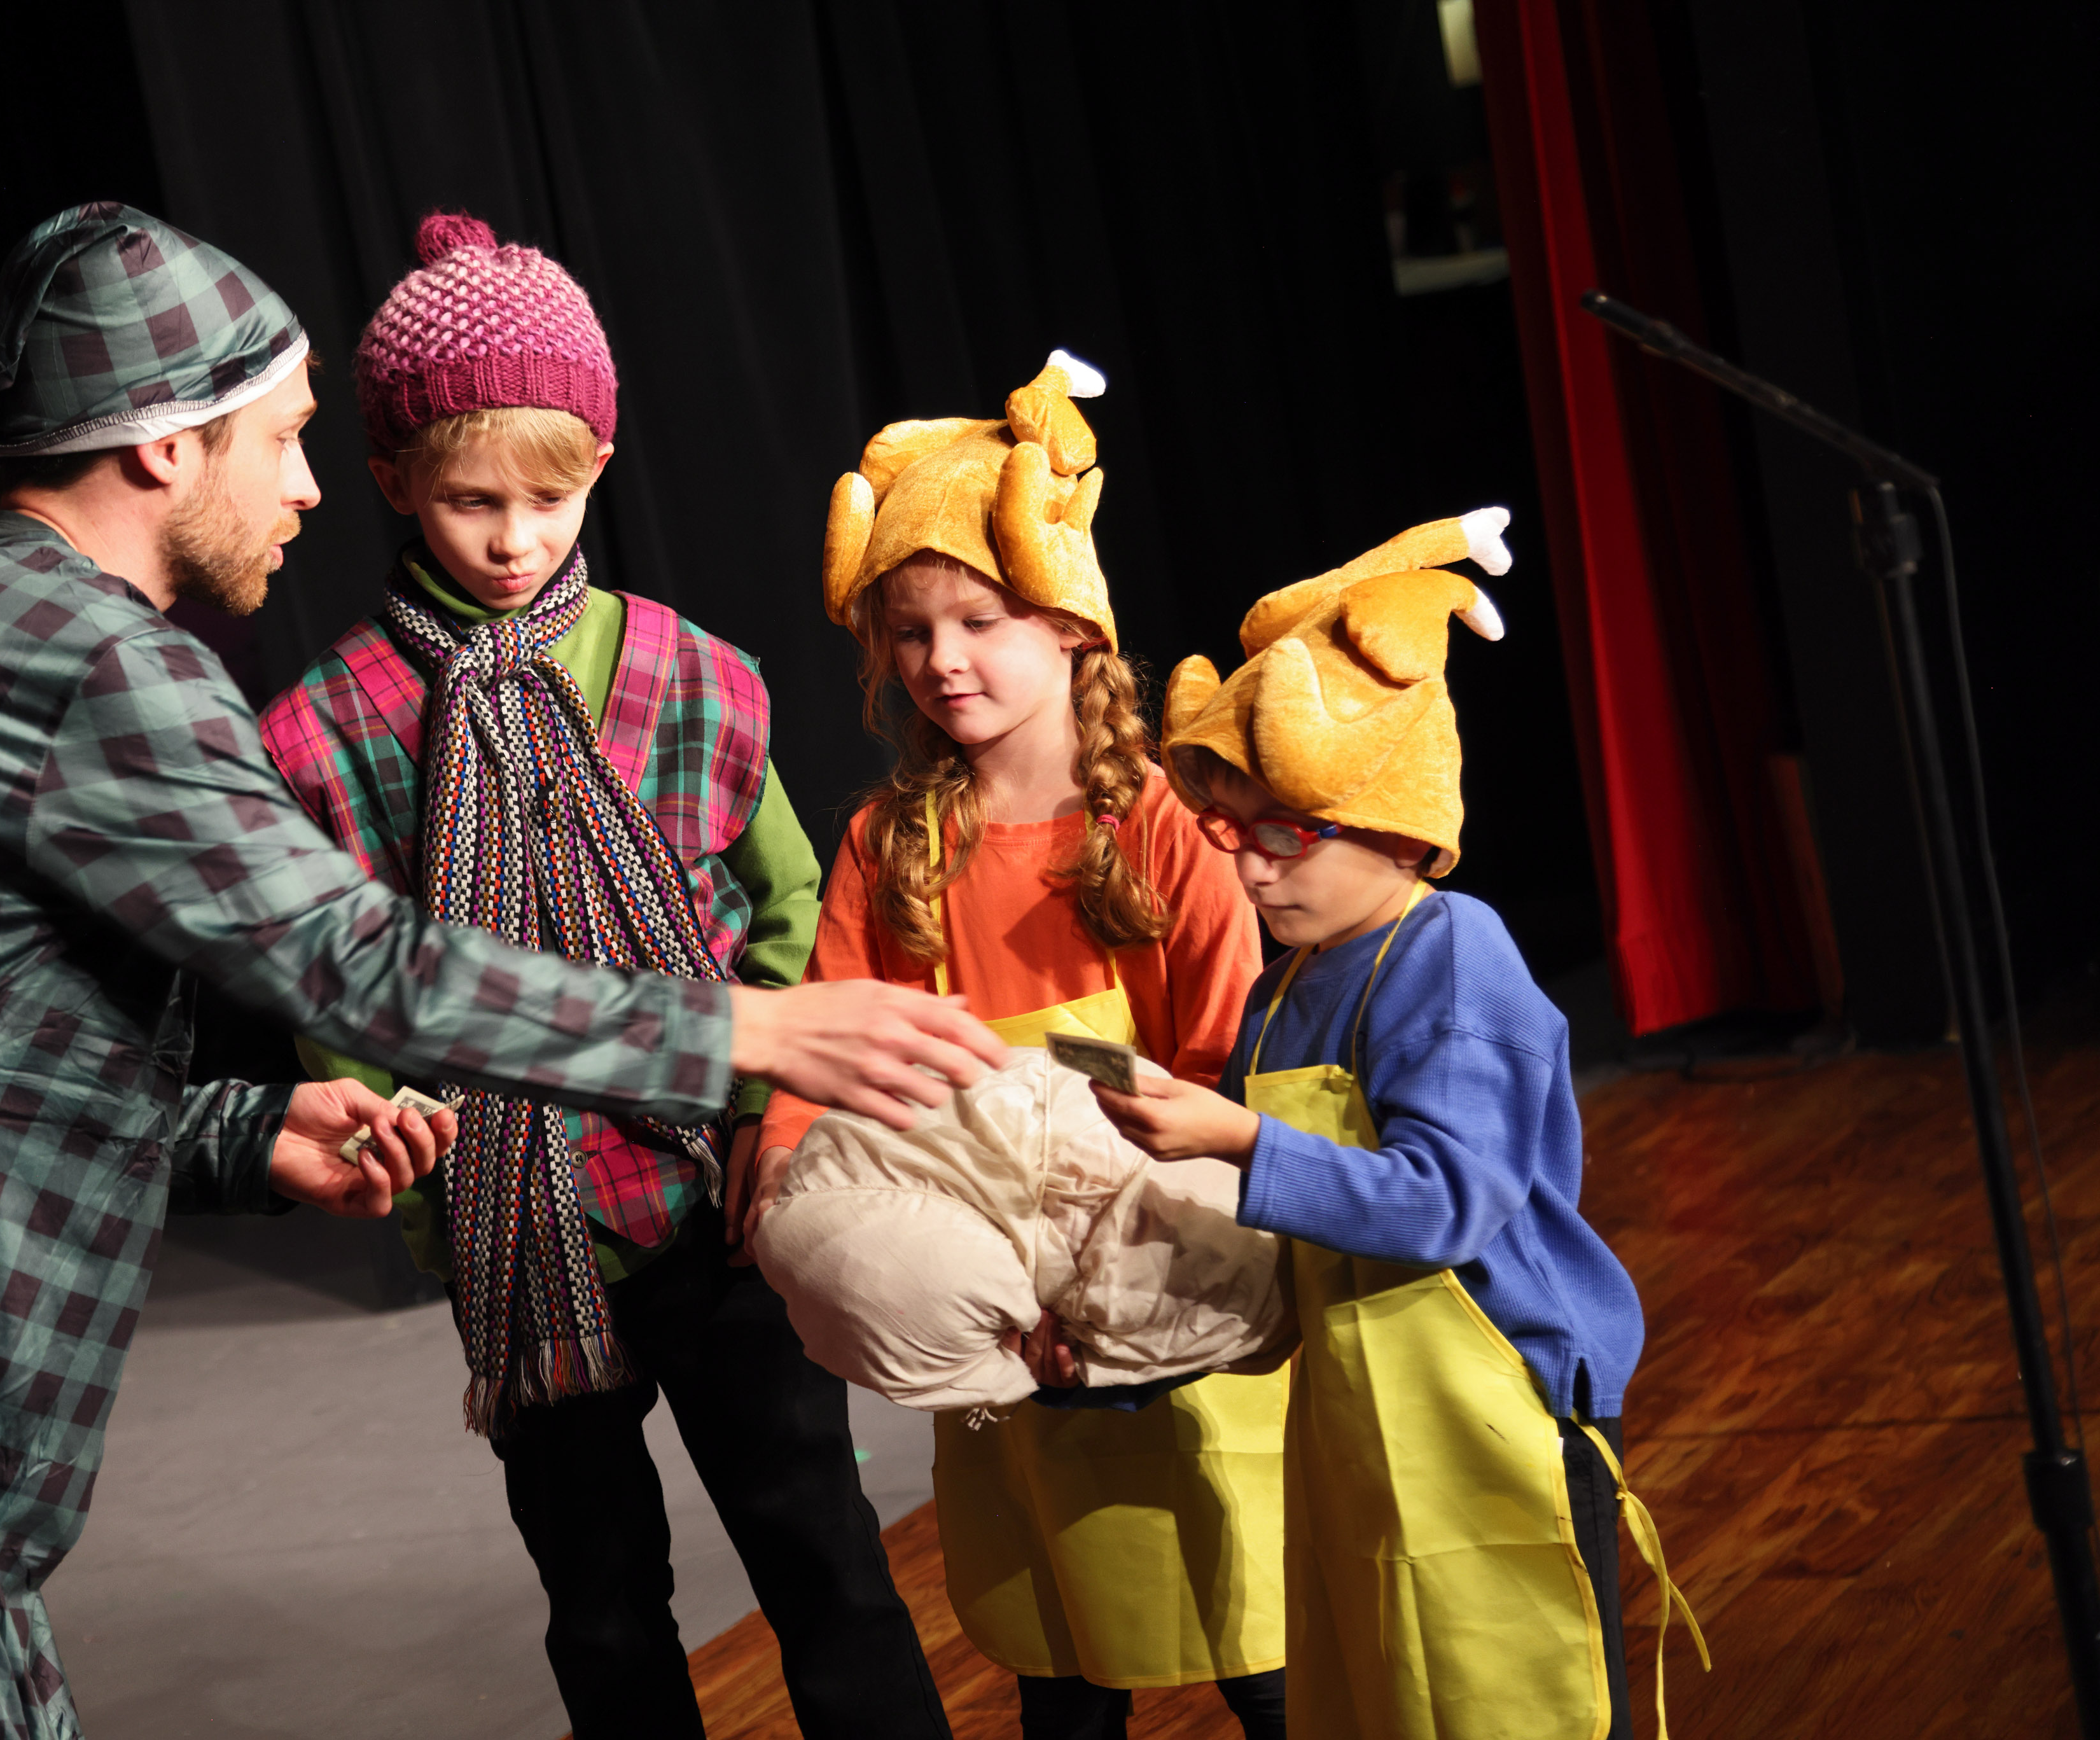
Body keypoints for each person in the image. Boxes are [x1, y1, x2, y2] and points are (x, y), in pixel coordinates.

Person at [0, 202, 1001, 1740]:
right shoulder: (91, 658)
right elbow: (356, 964)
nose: (306, 485)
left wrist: (235, 1133)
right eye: (280, 439)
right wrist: (747, 1032)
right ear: (165, 445)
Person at [257, 211, 947, 1740]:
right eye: (472, 501)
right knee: (603, 1605)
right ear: (391, 480)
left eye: (552, 497)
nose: (516, 539)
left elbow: (783, 909)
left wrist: (772, 1121)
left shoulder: (688, 670)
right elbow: (336, 990)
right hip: (520, 1232)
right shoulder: (325, 728)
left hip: (717, 1198)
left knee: (826, 1560)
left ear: (602, 468)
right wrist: (412, 1172)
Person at [1097, 512, 1706, 1739]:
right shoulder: (1281, 992)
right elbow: (1282, 1237)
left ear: (1399, 819)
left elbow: (1445, 1202)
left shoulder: (1452, 955)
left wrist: (1238, 1142)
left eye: (1286, 836)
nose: (1251, 872)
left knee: (1514, 1699)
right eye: (1233, 836)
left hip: (1504, 1403)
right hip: (1361, 1410)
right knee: (1393, 1696)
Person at [751, 354, 1288, 1740]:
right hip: (988, 1281)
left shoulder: (1162, 826)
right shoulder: (889, 845)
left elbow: (1218, 1067)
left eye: (977, 621)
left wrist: (1099, 1282)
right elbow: (826, 1070)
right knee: (1066, 1662)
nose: (941, 661)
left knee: (1257, 1645)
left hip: (1150, 1260)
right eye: (910, 632)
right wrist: (797, 1198)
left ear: (1067, 625)